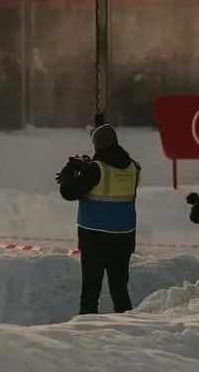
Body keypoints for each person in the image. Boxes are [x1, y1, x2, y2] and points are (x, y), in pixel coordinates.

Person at [59, 122, 141, 313]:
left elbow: (69, 192)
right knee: (119, 289)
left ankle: (87, 331)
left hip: (94, 238)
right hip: (124, 236)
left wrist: (68, 174)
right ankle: (128, 327)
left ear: (97, 145)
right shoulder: (134, 167)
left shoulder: (97, 169)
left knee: (90, 291)